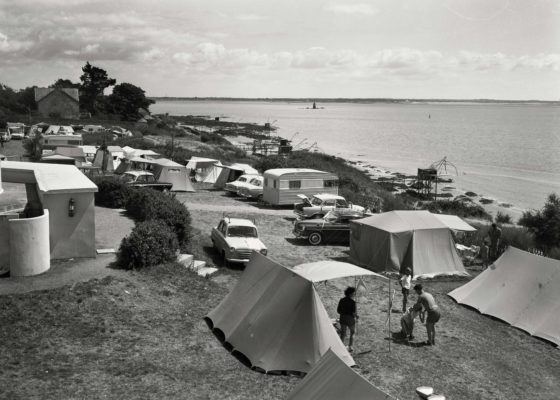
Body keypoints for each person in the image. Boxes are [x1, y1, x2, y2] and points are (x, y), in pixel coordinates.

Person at [337, 286, 358, 352]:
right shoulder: (353, 302)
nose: (354, 294)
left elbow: (338, 311)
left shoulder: (341, 300)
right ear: (350, 294)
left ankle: (340, 347)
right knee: (353, 332)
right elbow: (354, 313)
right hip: (349, 319)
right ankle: (350, 346)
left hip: (342, 318)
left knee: (343, 333)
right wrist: (356, 316)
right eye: (354, 293)